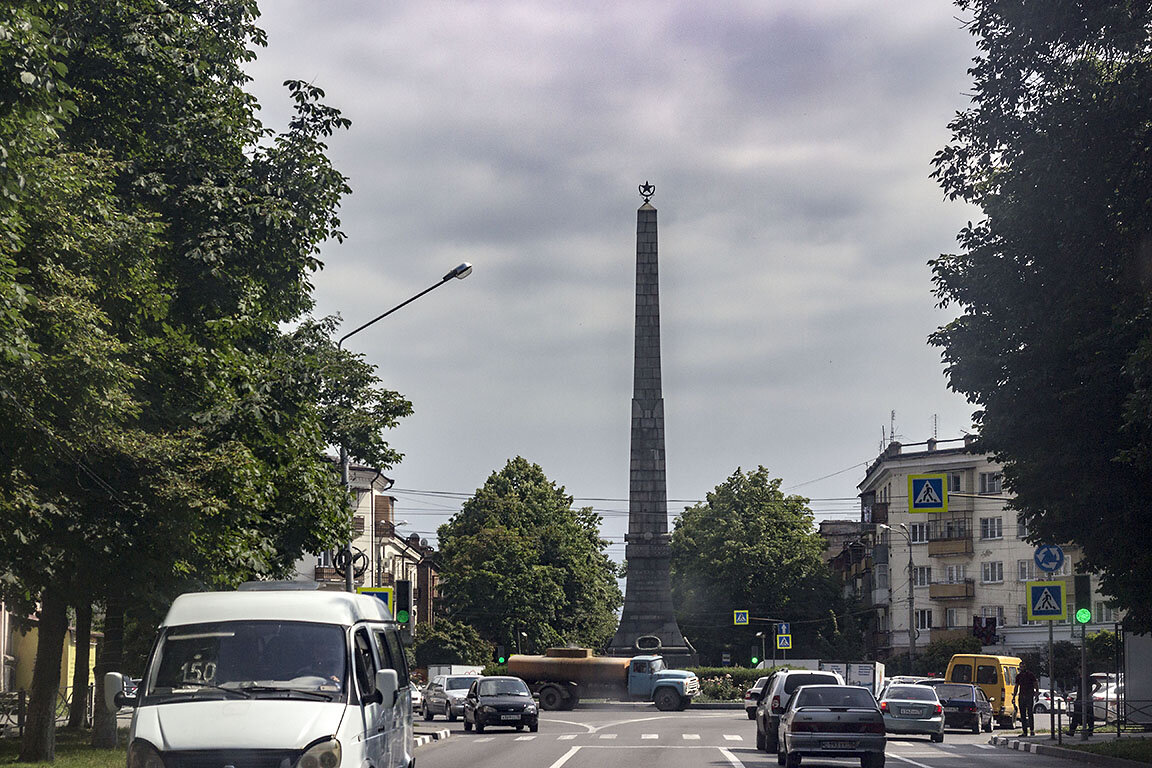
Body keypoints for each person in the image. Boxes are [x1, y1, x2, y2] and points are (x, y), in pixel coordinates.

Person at [1014, 661, 1038, 736]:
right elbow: (1016, 686)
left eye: (1023, 666)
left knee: (1030, 713)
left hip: (1029, 696)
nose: (1022, 668)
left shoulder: (1030, 675)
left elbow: (1035, 684)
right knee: (1023, 715)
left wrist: (1036, 693)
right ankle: (1024, 731)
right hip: (1021, 696)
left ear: (1025, 667)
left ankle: (1032, 730)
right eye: (1021, 667)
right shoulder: (1019, 676)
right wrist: (1014, 696)